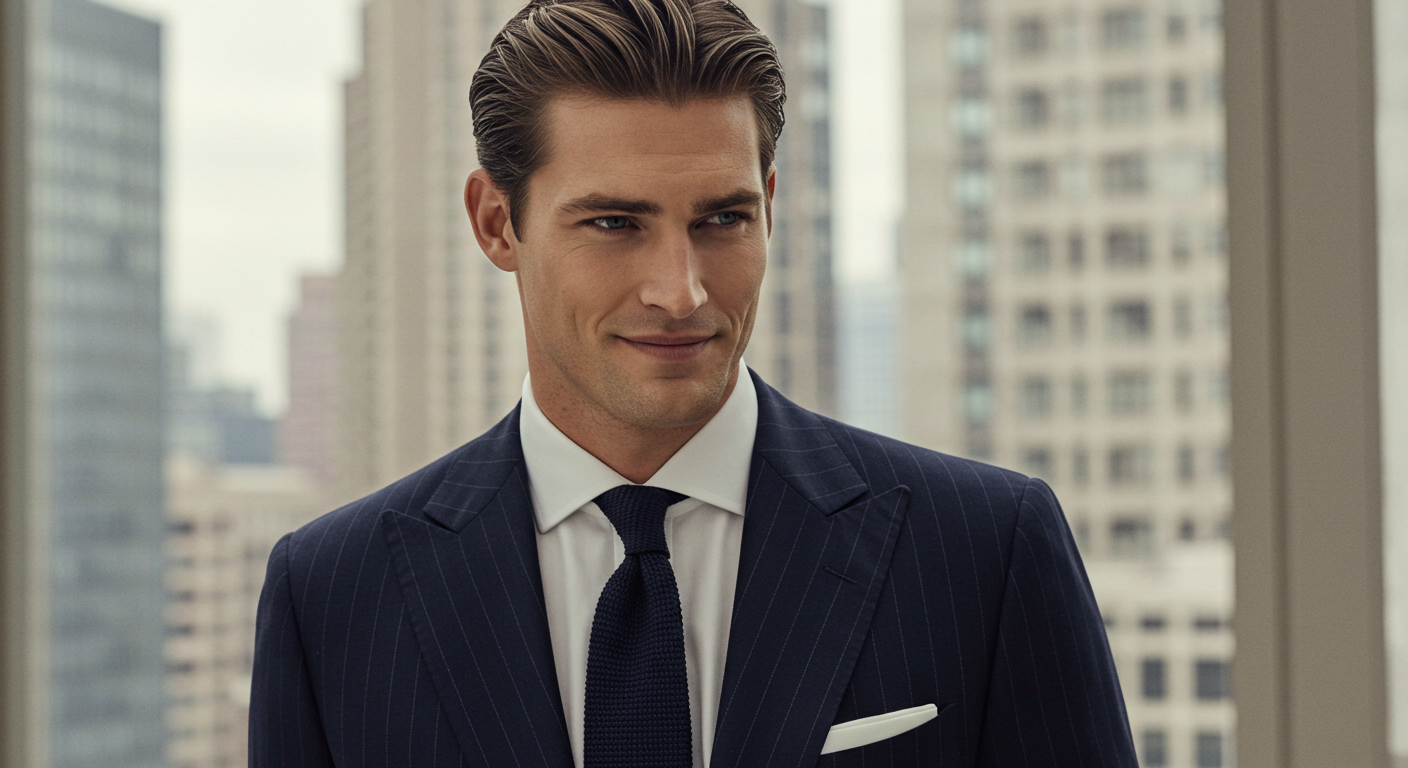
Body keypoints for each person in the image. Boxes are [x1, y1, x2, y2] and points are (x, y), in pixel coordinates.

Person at [249, 0, 1138, 765]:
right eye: (614, 223)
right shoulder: (330, 593)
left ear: (770, 206)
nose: (680, 292)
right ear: (496, 223)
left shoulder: (987, 549)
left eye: (722, 219)